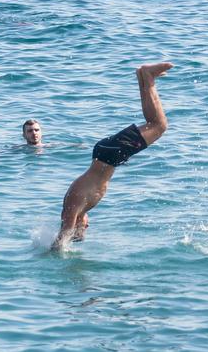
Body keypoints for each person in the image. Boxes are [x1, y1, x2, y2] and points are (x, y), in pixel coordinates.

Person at [52, 62, 172, 249]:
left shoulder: (71, 211)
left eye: (83, 229)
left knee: (159, 125)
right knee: (153, 124)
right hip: (107, 155)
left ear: (75, 225)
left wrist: (56, 253)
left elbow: (62, 237)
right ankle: (143, 76)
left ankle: (147, 76)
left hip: (110, 155)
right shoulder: (76, 208)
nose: (88, 225)